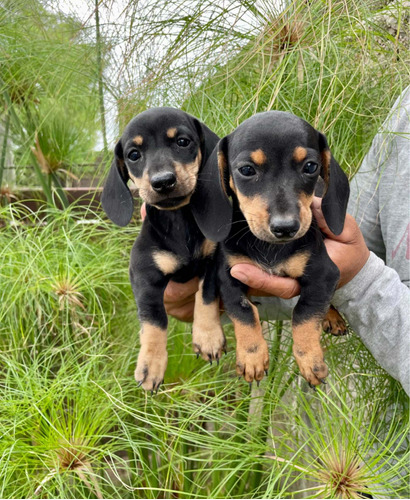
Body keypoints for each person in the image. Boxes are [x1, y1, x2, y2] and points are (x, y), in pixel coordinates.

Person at [157, 88, 410, 395]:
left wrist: (355, 281)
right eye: (248, 171)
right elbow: (357, 248)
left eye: (308, 168)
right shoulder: (403, 113)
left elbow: (341, 267)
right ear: (223, 176)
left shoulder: (308, 236)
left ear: (325, 169)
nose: (285, 220)